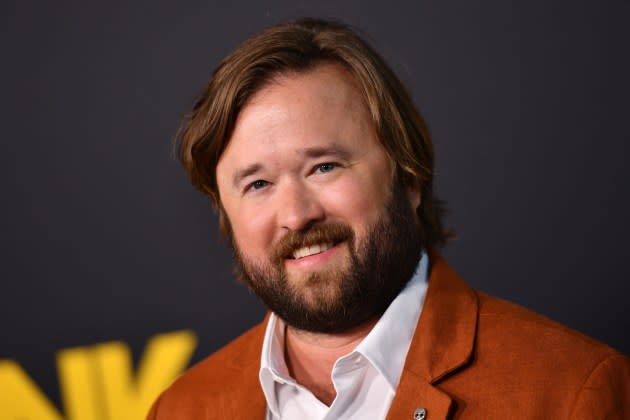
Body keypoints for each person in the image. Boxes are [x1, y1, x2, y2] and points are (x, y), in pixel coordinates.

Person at [147, 18, 630, 419]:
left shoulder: (572, 392)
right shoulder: (182, 409)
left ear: (409, 175)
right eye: (258, 184)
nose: (296, 215)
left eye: (324, 166)